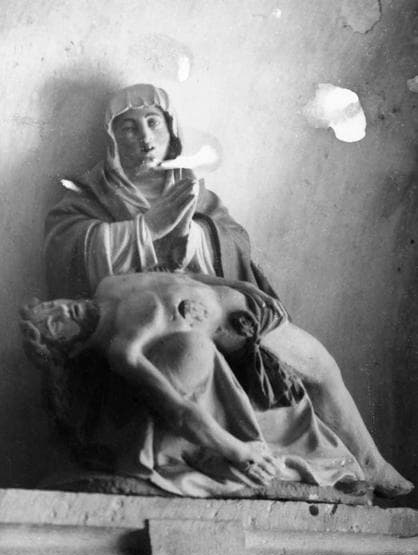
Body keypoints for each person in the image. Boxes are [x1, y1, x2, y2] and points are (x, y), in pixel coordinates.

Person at [44, 83, 412, 497]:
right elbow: (69, 256)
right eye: (129, 127)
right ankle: (237, 456)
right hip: (169, 332)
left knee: (320, 364)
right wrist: (146, 230)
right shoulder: (88, 196)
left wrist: (195, 239)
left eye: (153, 122)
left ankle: (372, 463)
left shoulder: (191, 189)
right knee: (196, 359)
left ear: (171, 128)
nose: (144, 137)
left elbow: (234, 244)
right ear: (112, 139)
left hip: (223, 309)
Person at [20, 271, 370, 497]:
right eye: (54, 323)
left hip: (246, 304)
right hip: (240, 337)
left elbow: (182, 276)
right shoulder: (124, 349)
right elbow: (179, 410)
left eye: (52, 305)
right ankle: (370, 467)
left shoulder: (109, 285)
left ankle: (373, 465)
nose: (63, 310)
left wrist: (243, 287)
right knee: (324, 378)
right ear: (69, 347)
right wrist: (240, 451)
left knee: (328, 371)